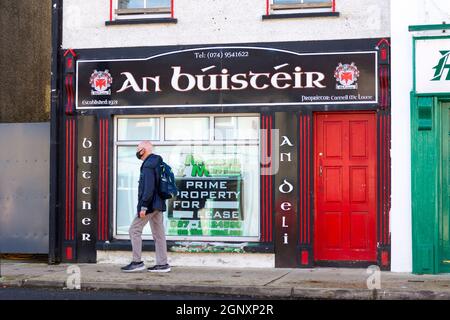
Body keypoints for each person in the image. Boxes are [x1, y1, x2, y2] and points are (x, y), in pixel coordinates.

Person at [121, 141, 171, 273]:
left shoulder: (148, 165)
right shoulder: (159, 163)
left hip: (149, 205)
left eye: (138, 149)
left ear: (143, 150)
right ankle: (163, 264)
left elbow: (148, 188)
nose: (137, 151)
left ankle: (137, 262)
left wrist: (143, 206)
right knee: (159, 235)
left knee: (134, 230)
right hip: (158, 204)